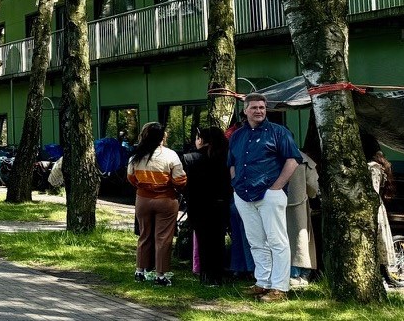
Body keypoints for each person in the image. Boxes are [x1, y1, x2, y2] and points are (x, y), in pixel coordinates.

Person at [228, 94, 301, 302]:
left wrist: (276, 188)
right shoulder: (237, 135)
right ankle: (263, 282)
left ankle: (279, 287)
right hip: (243, 194)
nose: (259, 111)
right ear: (245, 110)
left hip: (269, 194)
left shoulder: (279, 132)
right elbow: (232, 162)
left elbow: (293, 160)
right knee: (256, 241)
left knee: (277, 241)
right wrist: (235, 183)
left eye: (262, 107)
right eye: (254, 108)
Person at [126, 122, 187, 286]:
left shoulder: (136, 156)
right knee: (163, 238)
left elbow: (131, 178)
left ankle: (139, 271)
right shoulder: (171, 155)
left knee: (144, 235)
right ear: (163, 137)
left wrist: (143, 187)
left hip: (143, 199)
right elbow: (180, 179)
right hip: (166, 200)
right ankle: (160, 275)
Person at [181, 126, 230, 286]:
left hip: (199, 206)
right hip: (220, 205)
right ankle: (218, 275)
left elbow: (186, 187)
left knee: (203, 243)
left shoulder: (190, 159)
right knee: (218, 242)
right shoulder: (226, 157)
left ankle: (206, 275)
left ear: (201, 140)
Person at [286, 148, 320, 286]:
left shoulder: (270, 155)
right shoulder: (305, 160)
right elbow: (313, 187)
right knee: (300, 241)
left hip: (275, 204)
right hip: (299, 205)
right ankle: (299, 273)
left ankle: (290, 273)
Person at [369, 148, 400, 286]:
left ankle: (382, 277)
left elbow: (373, 190)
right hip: (378, 206)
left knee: (377, 240)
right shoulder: (379, 167)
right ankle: (384, 275)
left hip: (373, 207)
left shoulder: (372, 168)